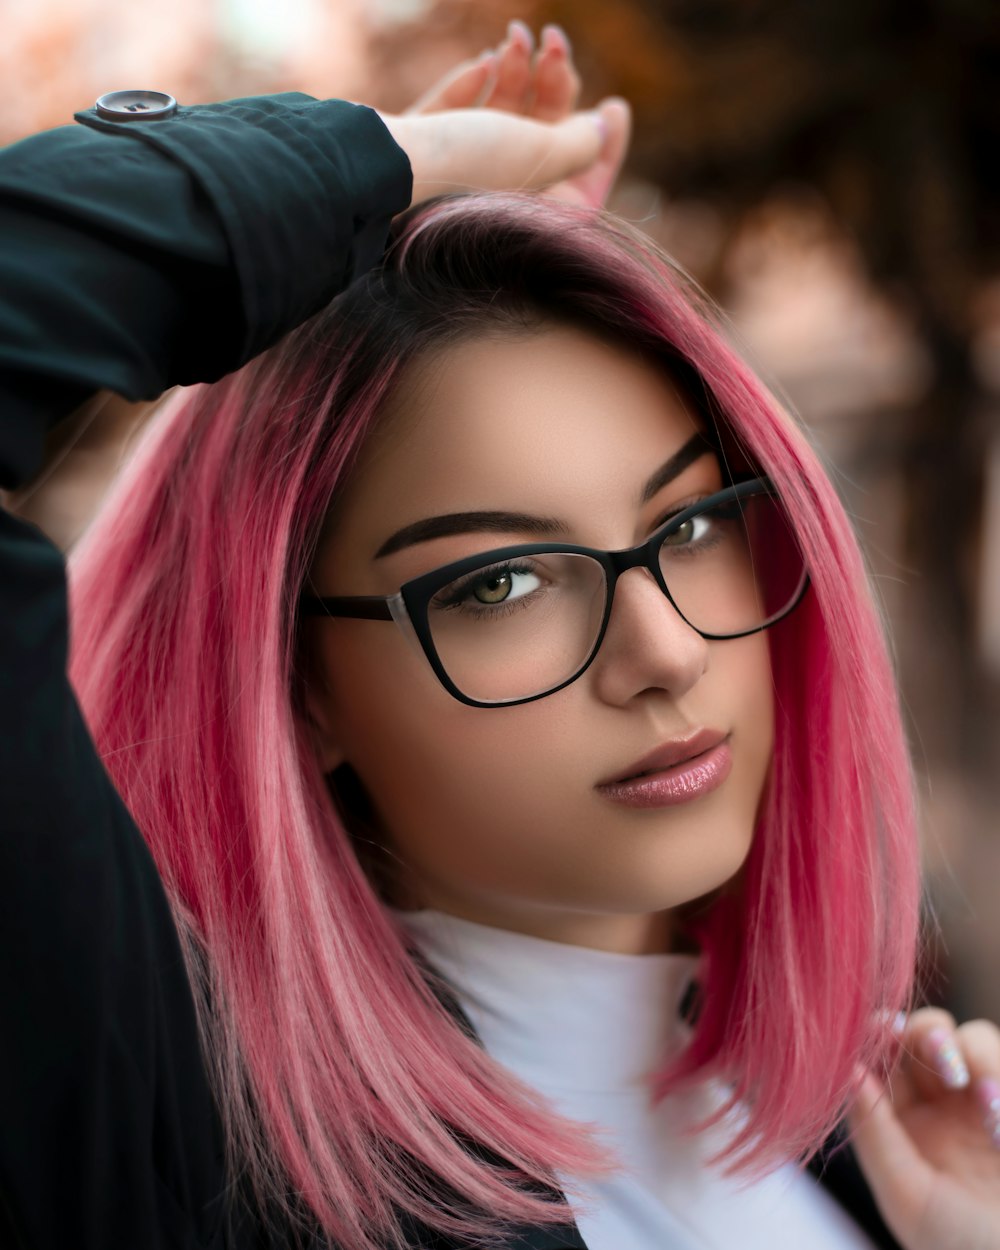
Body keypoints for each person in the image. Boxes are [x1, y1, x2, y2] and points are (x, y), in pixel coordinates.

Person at [2, 20, 999, 1250]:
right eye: (500, 584)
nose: (667, 653)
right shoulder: (188, 1150)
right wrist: (358, 173)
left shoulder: (875, 1140)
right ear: (295, 684)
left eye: (690, 524)